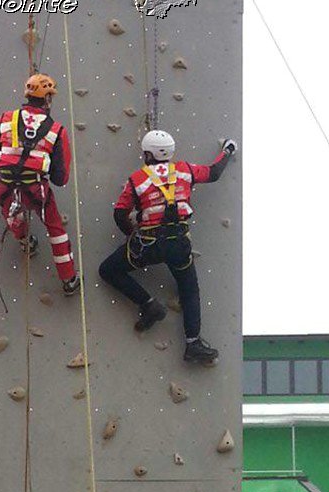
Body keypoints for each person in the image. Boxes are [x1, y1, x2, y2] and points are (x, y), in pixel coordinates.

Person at [99, 130, 237, 364]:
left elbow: (120, 213)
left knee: (108, 270)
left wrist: (131, 234)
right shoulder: (185, 170)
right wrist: (227, 151)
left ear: (146, 154)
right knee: (189, 288)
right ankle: (193, 343)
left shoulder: (137, 180)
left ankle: (148, 304)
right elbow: (213, 173)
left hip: (148, 244)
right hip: (178, 244)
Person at [0, 73, 80, 295]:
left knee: (11, 214)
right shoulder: (57, 130)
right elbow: (61, 178)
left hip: (6, 185)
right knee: (55, 229)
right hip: (37, 189)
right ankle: (68, 279)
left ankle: (26, 241)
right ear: (47, 99)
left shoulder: (5, 119)